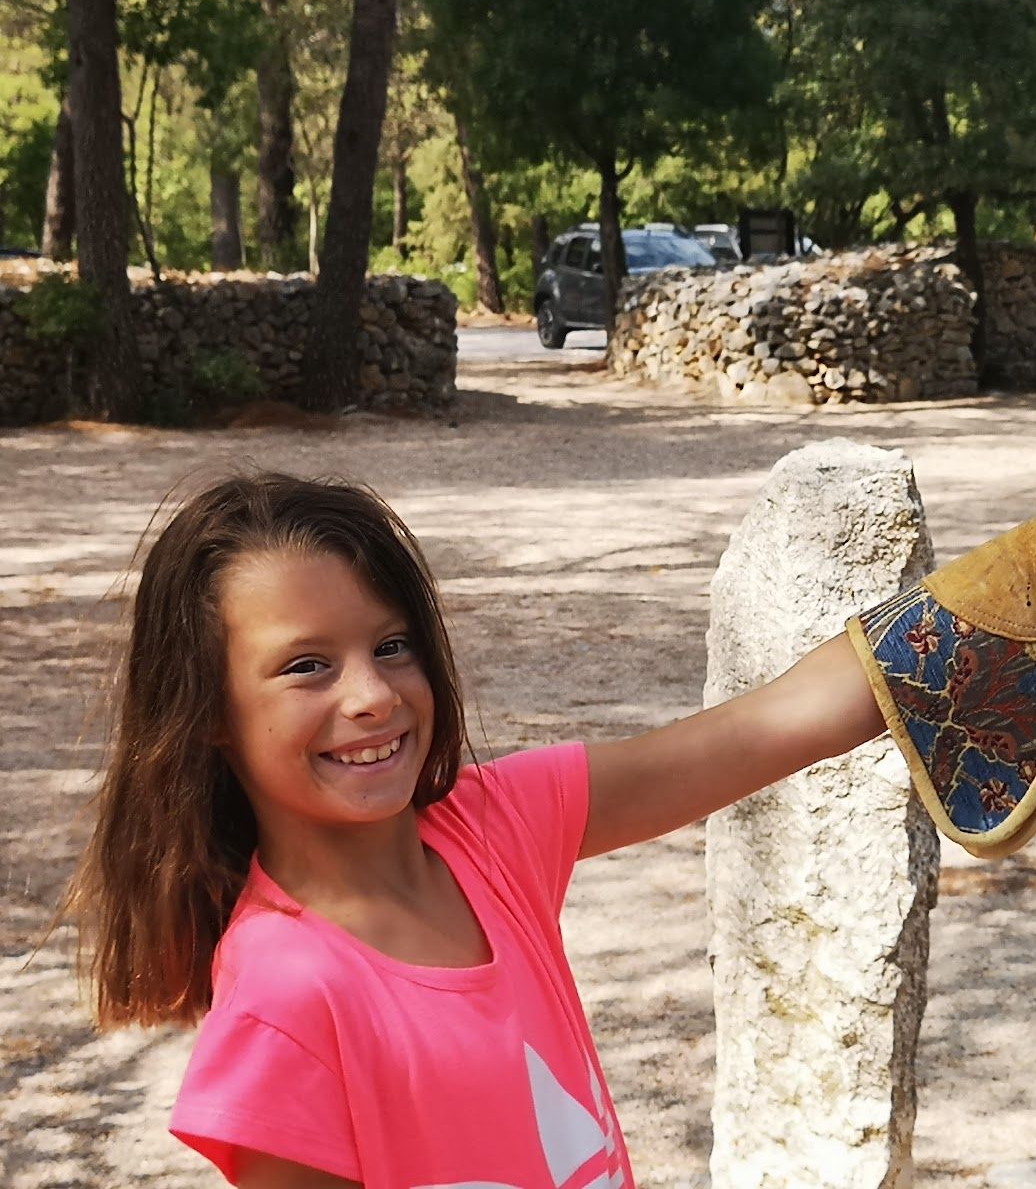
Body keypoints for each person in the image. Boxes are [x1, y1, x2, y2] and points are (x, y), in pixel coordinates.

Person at [66, 472, 886, 1189]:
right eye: (305, 665)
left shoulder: (495, 828)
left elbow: (766, 729)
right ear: (205, 710)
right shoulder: (283, 1006)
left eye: (392, 647)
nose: (373, 696)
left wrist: (966, 624)